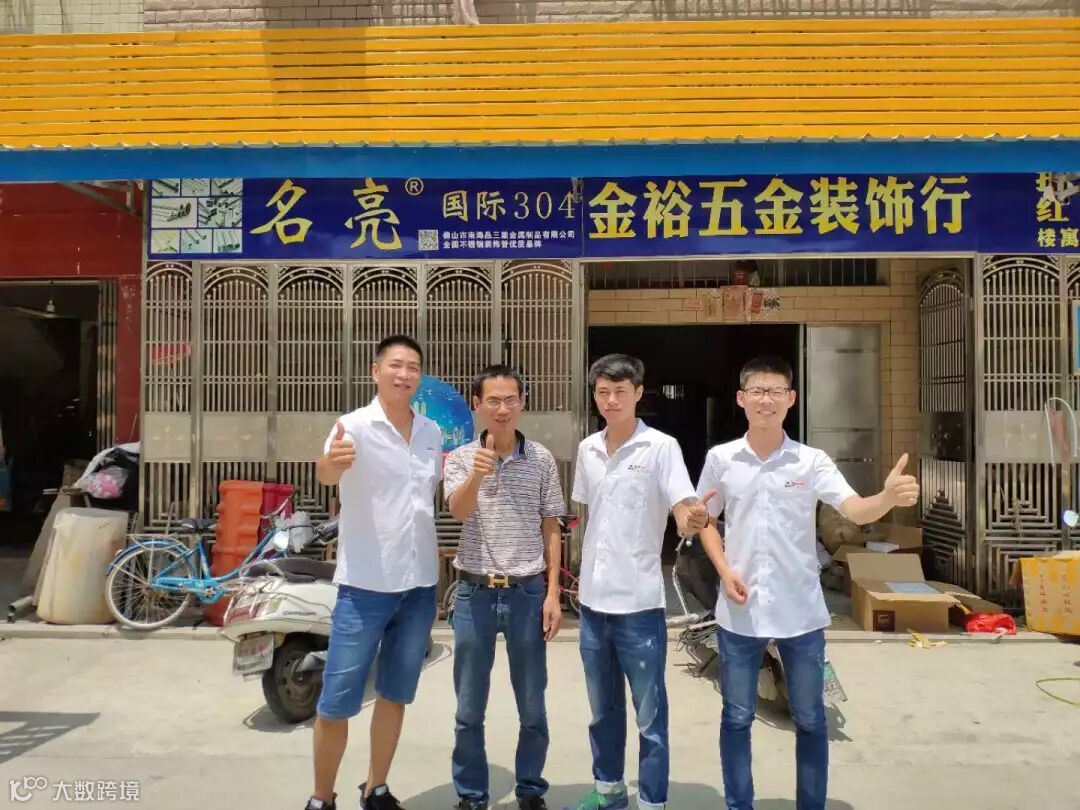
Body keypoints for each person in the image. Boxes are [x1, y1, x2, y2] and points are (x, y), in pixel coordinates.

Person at [694, 355, 920, 810]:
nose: (766, 400)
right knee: (736, 718)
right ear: (741, 399)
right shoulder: (721, 459)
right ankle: (739, 804)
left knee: (812, 719)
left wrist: (886, 499)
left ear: (791, 398)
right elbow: (704, 520)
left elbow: (854, 509)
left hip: (800, 612)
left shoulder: (810, 461)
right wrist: (723, 568)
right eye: (757, 391)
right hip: (739, 611)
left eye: (776, 391)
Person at [567, 354, 712, 810]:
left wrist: (691, 519)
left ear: (638, 393)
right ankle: (608, 790)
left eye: (620, 392)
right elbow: (590, 513)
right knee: (602, 710)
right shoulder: (588, 449)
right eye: (603, 392)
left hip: (640, 605)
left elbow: (681, 505)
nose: (611, 400)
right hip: (593, 604)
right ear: (595, 395)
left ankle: (652, 801)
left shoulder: (661, 447)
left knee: (650, 715)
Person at [305, 335, 444, 810]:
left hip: (419, 586)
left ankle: (376, 788)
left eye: (413, 367)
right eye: (395, 365)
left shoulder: (431, 432)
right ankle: (321, 797)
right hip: (364, 586)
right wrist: (329, 464)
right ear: (375, 370)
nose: (404, 374)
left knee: (394, 693)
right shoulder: (353, 426)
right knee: (337, 699)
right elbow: (327, 473)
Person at [443, 364, 566, 810]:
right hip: (474, 593)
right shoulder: (460, 458)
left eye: (510, 399)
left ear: (522, 403)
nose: (502, 409)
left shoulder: (542, 459)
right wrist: (479, 472)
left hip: (527, 592)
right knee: (468, 708)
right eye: (492, 400)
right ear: (477, 404)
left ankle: (530, 789)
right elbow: (458, 512)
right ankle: (472, 794)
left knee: (532, 704)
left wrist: (552, 593)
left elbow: (551, 526)